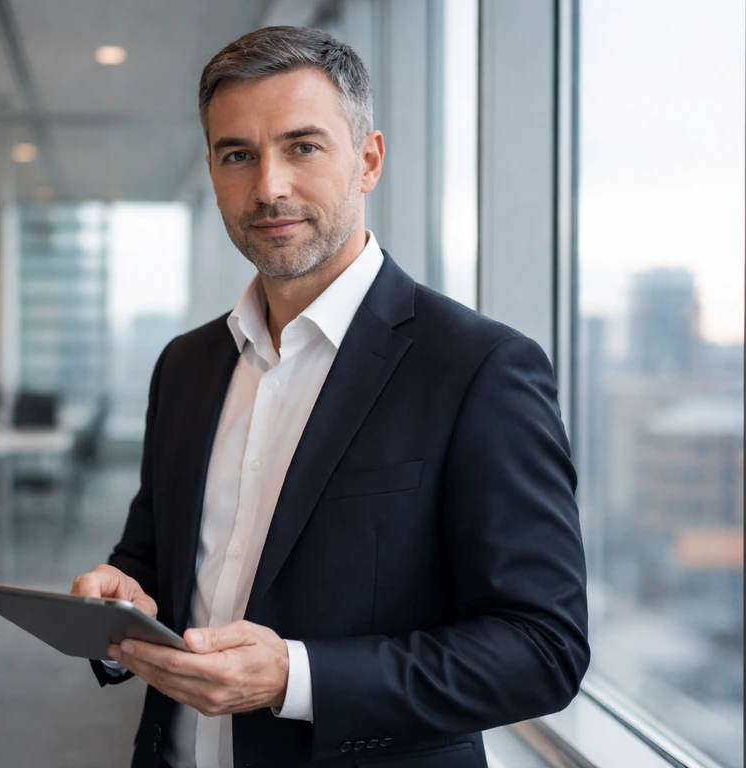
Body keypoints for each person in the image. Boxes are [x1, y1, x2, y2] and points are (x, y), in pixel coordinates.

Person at [70, 25, 590, 768]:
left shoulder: (480, 368)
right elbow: (151, 559)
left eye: (302, 147)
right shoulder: (184, 367)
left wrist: (296, 677)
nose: (269, 186)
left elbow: (544, 648)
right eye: (237, 155)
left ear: (368, 160)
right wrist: (122, 604)